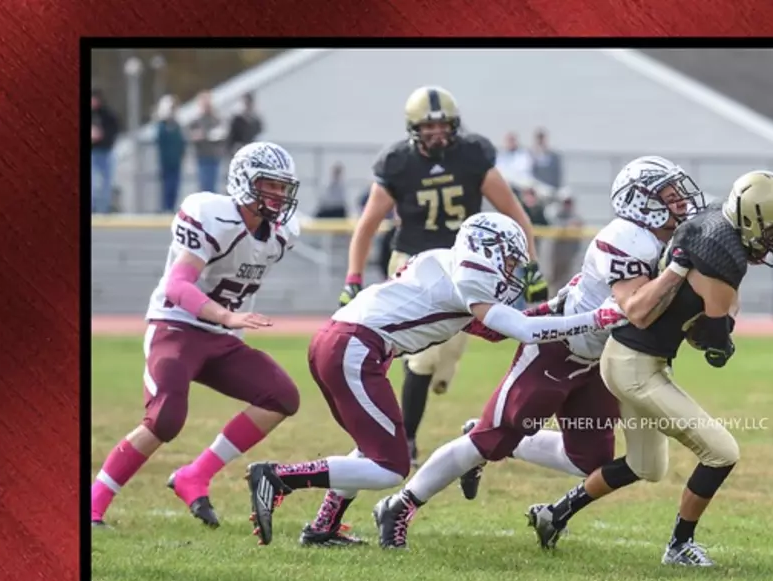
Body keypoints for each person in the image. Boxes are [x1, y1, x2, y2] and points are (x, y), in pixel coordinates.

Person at [374, 156, 708, 549]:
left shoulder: (665, 239)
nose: (682, 204)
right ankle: (400, 505)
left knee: (588, 460)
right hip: (557, 347)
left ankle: (506, 443)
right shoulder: (628, 237)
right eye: (670, 197)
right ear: (641, 202)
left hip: (600, 361)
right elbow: (634, 307)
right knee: (487, 440)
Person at [243, 212, 626, 548]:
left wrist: (552, 308)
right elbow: (523, 330)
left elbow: (492, 329)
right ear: (488, 249)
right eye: (510, 258)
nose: (513, 269)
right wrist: (595, 318)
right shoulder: (470, 279)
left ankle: (324, 525)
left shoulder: (445, 262)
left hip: (342, 343)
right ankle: (279, 477)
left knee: (372, 444)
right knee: (390, 466)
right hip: (354, 348)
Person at [526, 171, 773, 567]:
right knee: (722, 452)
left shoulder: (713, 224)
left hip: (627, 357)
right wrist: (722, 333)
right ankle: (679, 546)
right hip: (635, 367)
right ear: (750, 221)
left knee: (646, 466)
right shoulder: (723, 256)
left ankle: (554, 514)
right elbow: (713, 345)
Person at [90, 142, 303, 530]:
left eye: (283, 188)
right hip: (176, 326)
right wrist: (226, 315)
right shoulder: (211, 215)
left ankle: (195, 475)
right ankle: (92, 503)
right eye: (268, 186)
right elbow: (177, 285)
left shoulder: (282, 234)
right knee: (166, 417)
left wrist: (226, 322)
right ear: (244, 182)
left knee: (281, 396)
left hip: (221, 337)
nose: (278, 196)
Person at [339, 86, 549, 470]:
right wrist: (353, 276)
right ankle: (409, 439)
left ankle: (430, 370)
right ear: (413, 128)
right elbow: (368, 224)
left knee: (447, 351)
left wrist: (531, 266)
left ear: (454, 125)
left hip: (466, 263)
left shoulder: (472, 155)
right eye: (428, 126)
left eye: (443, 125)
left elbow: (516, 213)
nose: (437, 133)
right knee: (423, 357)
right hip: (414, 259)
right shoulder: (398, 163)